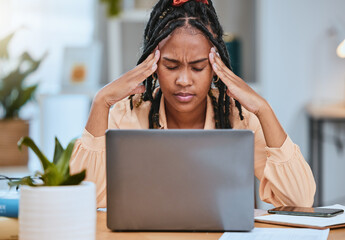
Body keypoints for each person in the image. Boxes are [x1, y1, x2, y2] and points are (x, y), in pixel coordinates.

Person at [70, 0, 316, 208]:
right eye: (171, 66)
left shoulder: (238, 117)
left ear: (215, 66)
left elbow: (300, 200)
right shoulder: (129, 114)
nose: (184, 80)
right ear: (153, 65)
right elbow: (87, 200)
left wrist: (264, 109)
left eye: (198, 67)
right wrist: (101, 102)